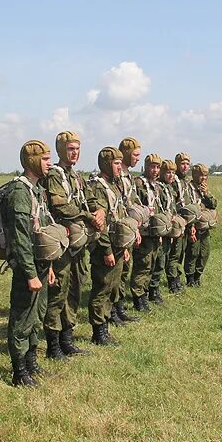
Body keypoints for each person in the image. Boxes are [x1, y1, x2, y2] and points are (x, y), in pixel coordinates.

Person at [42, 131, 104, 359]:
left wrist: (100, 211)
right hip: (60, 244)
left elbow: (91, 199)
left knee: (75, 288)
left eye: (77, 148)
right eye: (70, 149)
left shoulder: (76, 177)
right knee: (58, 291)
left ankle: (67, 338)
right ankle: (53, 344)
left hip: (78, 243)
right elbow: (60, 206)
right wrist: (89, 216)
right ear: (60, 150)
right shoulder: (54, 176)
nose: (75, 152)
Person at [4, 140, 57, 387]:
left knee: (37, 315)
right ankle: (19, 370)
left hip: (42, 266)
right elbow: (20, 238)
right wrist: (30, 273)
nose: (49, 163)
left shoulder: (38, 190)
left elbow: (43, 230)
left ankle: (32, 360)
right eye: (45, 159)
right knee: (22, 317)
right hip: (29, 268)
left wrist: (50, 267)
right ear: (32, 160)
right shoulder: (20, 192)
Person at [86, 147, 131, 346]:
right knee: (102, 288)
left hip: (118, 245)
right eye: (115, 163)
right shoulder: (98, 187)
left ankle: (105, 326)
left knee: (112, 287)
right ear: (106, 164)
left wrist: (125, 246)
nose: (119, 166)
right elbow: (100, 223)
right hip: (105, 247)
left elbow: (119, 215)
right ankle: (98, 332)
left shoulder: (114, 186)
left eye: (120, 163)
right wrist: (106, 250)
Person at [111, 137, 142, 324]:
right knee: (115, 274)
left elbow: (132, 204)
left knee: (124, 270)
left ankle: (119, 307)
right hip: (119, 231)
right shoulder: (116, 177)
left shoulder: (128, 176)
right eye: (136, 155)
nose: (138, 158)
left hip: (129, 229)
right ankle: (112, 310)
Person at [131, 154, 164, 311]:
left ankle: (144, 293)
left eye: (158, 167)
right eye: (152, 166)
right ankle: (138, 296)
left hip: (154, 232)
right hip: (143, 231)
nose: (155, 170)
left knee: (151, 264)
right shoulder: (138, 183)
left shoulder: (156, 186)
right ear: (146, 166)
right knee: (142, 264)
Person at [184, 163, 218, 287]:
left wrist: (206, 193)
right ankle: (190, 278)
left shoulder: (204, 189)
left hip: (205, 227)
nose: (203, 178)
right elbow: (186, 208)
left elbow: (214, 204)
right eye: (201, 175)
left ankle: (198, 276)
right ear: (194, 175)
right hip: (193, 227)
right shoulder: (187, 188)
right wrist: (190, 227)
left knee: (204, 253)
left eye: (206, 175)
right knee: (192, 253)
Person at [170, 152, 196, 292]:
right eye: (182, 164)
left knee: (182, 253)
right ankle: (173, 280)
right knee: (175, 253)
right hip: (177, 221)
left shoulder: (188, 182)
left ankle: (177, 277)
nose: (185, 166)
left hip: (187, 222)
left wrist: (191, 225)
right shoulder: (174, 181)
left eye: (187, 164)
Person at [159, 159, 184, 295]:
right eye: (168, 172)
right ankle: (153, 291)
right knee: (161, 260)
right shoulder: (159, 188)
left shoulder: (170, 188)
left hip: (172, 226)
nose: (171, 175)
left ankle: (174, 281)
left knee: (174, 256)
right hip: (162, 228)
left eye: (173, 172)